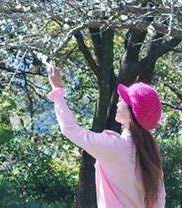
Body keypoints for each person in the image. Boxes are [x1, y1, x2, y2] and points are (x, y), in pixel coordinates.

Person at [47, 66, 165, 208]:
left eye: (124, 99)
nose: (119, 101)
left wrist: (57, 91)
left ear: (132, 112)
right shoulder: (151, 154)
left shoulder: (115, 147)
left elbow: (70, 129)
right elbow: (159, 201)